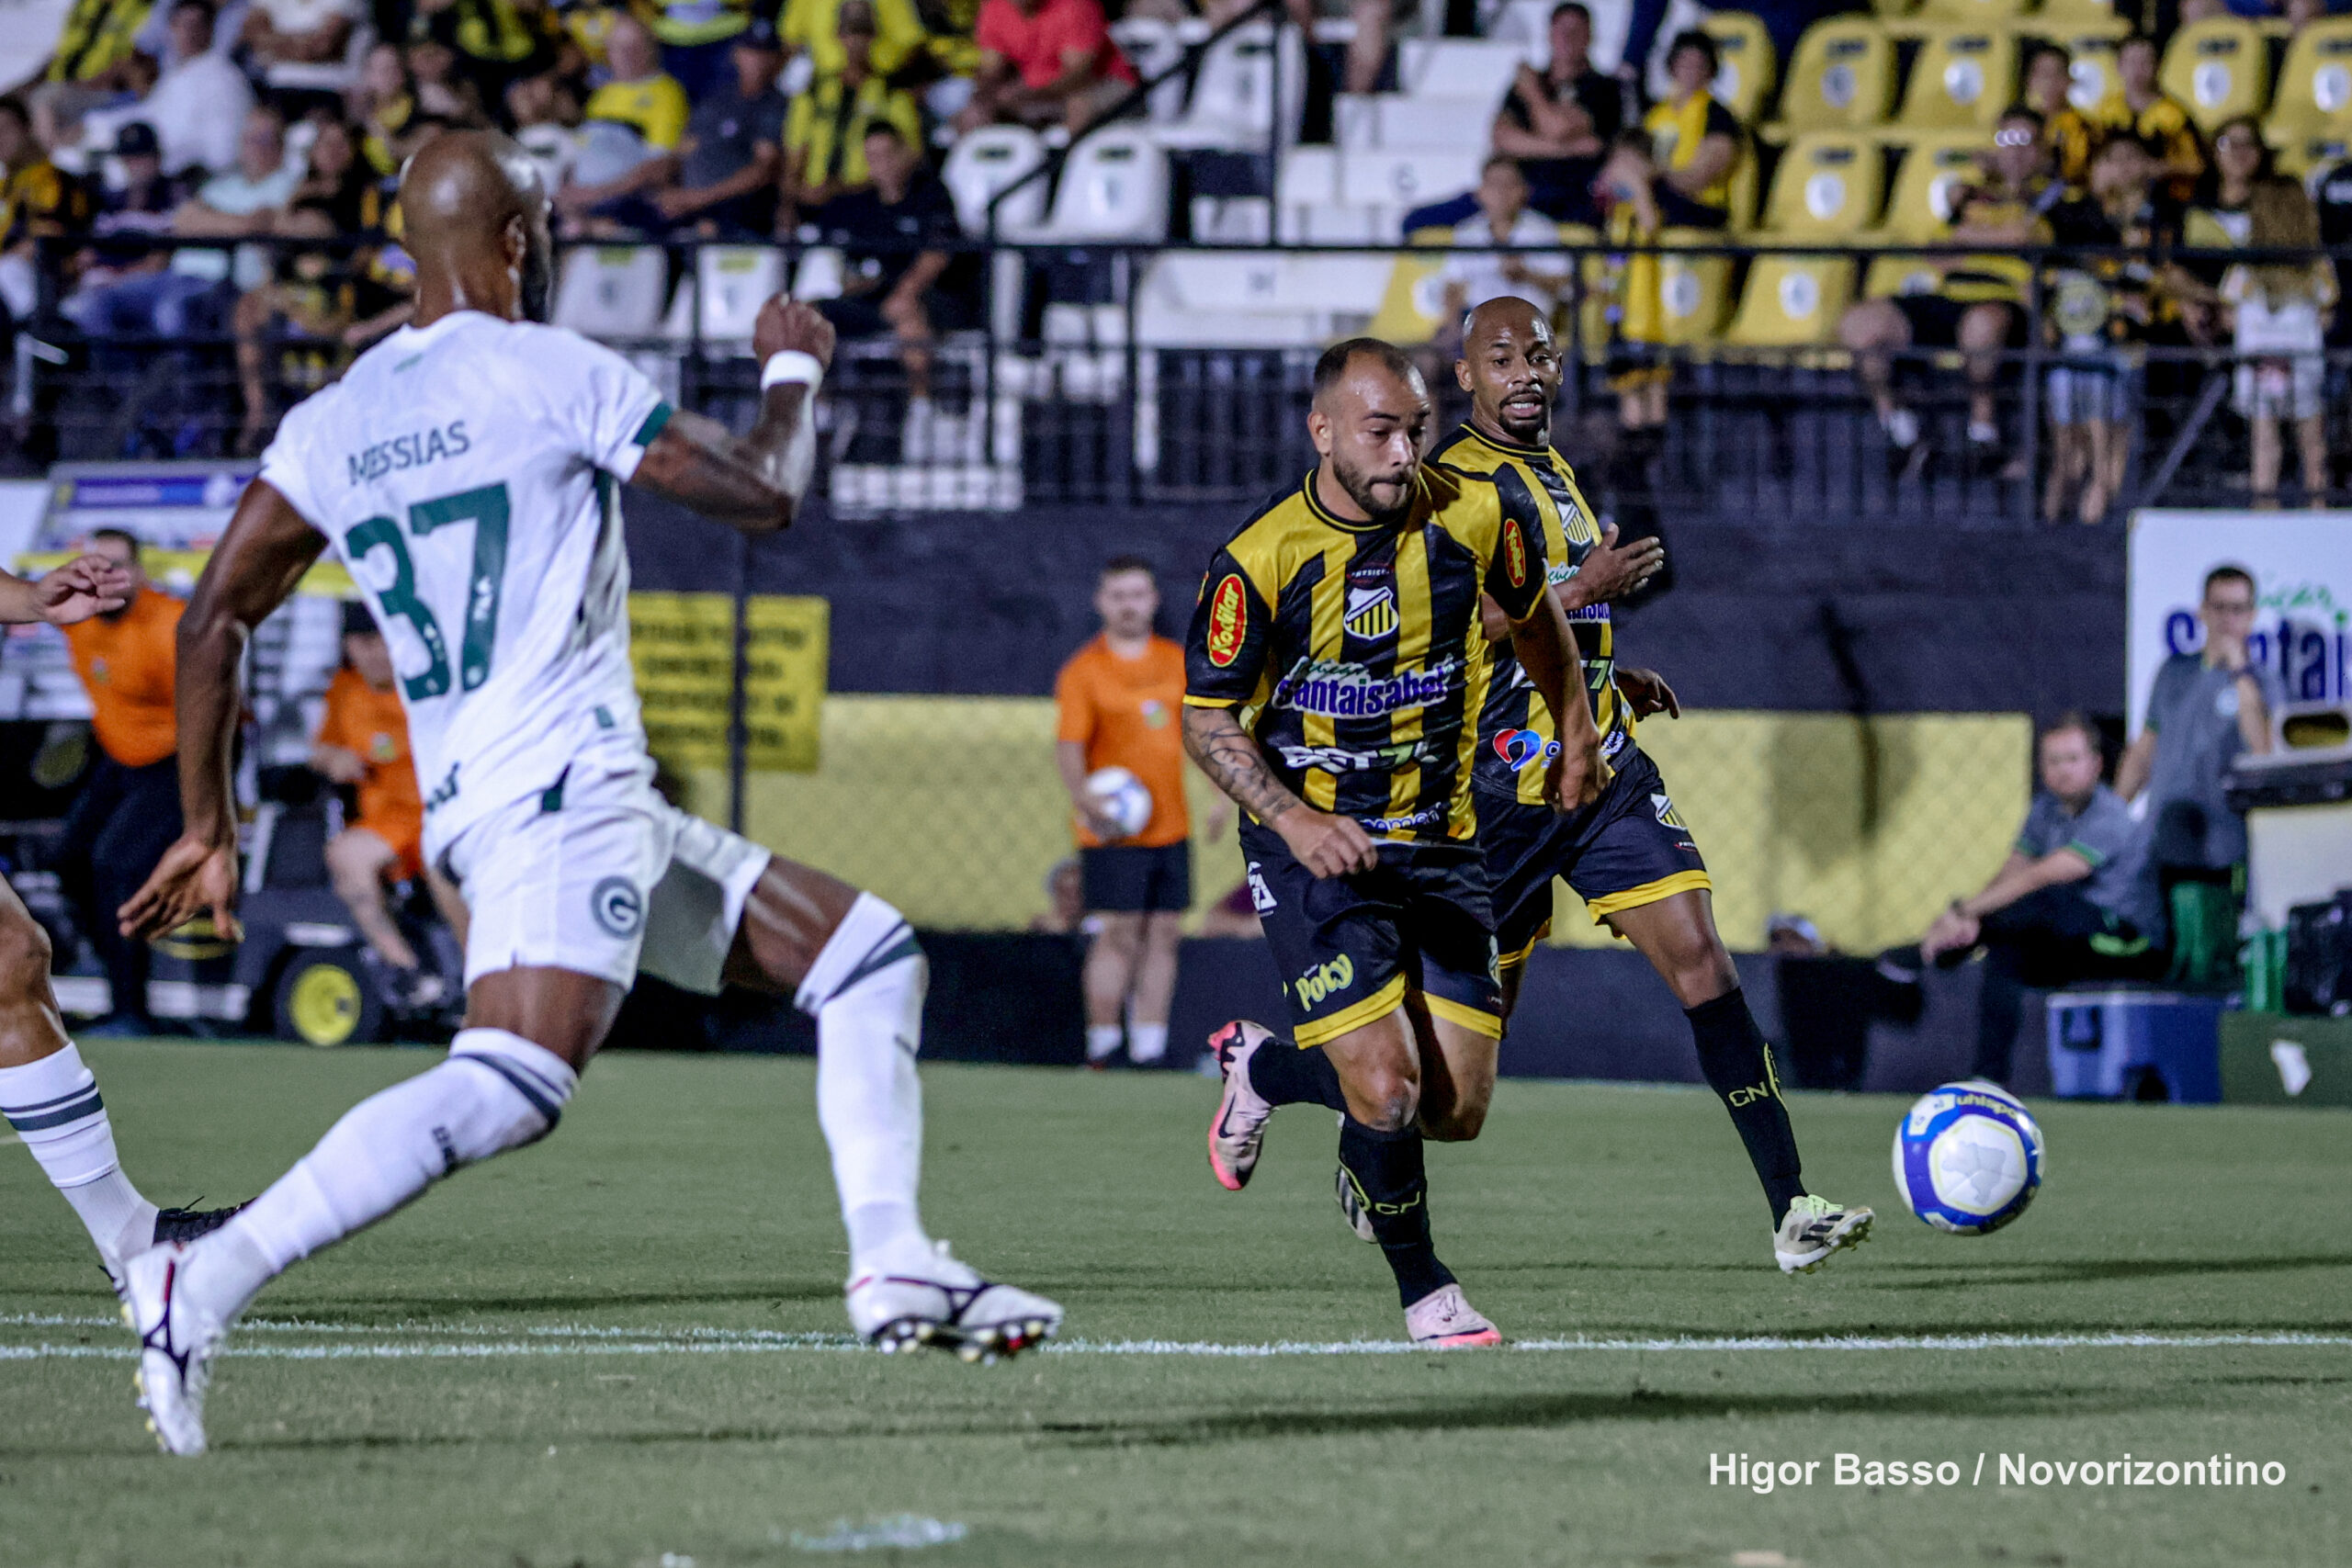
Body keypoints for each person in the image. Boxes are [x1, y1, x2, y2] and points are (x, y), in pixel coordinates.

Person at [115, 130, 1060, 1458]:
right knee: (509, 1079)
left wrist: (209, 825)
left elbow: (212, 616)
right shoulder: (545, 367)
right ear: (515, 240)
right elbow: (764, 495)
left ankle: (895, 1255)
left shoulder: (334, 419)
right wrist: (793, 364)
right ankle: (197, 1278)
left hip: (512, 794)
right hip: (561, 786)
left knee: (865, 954)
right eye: (544, 224)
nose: (551, 246)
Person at [1226, 299, 1873, 1276]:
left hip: (1599, 773)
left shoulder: (1552, 471)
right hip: (1492, 797)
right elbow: (1467, 623)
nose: (1526, 372)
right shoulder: (1447, 486)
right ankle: (1271, 1070)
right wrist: (1585, 593)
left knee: (1702, 958)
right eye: (1502, 358)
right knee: (1449, 1098)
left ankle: (1793, 1207)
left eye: (1540, 355)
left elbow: (1547, 636)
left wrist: (1611, 671)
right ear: (1463, 381)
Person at [1187, 336, 1599, 1348]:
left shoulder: (1473, 512)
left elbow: (1534, 613)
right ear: (1321, 430)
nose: (1404, 451)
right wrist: (1290, 817)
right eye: (1379, 430)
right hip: (1314, 852)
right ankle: (1429, 1295)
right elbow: (1206, 719)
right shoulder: (1261, 558)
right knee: (1386, 1086)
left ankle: (1266, 1071)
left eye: (1414, 429)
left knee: (1452, 1111)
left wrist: (1578, 727)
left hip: (1444, 844)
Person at [0, 555, 249, 1296]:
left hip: (155, 766)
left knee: (12, 957)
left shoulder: (152, 622)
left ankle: (130, 1235)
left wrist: (31, 600)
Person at [1881, 715, 2165, 1086]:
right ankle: (1988, 1078)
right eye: (2053, 760)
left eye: (2072, 759)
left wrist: (1963, 912)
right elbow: (2012, 871)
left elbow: (2040, 875)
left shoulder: (2110, 816)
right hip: (2067, 939)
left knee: (2042, 898)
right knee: (2007, 951)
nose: (2062, 770)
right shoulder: (2043, 809)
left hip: (2125, 942)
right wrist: (1969, 918)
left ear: (2096, 764)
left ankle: (1935, 950)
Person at [1053, 557, 1224, 1067]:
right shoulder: (1085, 670)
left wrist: (1219, 795)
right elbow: (1069, 749)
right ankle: (1103, 1044)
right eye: (1118, 595)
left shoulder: (1176, 661)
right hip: (1113, 831)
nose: (1129, 605)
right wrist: (1087, 802)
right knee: (1119, 932)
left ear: (1153, 601)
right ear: (1101, 603)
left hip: (1169, 824)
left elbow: (1198, 734)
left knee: (1165, 932)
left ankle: (1150, 1047)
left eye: (1137, 594)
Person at [1838, 105, 2063, 482]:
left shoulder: (2053, 198)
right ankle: (1901, 431)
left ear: (2042, 151)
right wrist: (1985, 232)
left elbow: (2025, 236)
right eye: (2007, 140)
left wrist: (1972, 238)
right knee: (1859, 323)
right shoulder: (1971, 198)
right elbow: (1937, 254)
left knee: (1982, 324)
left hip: (2005, 299)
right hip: (1949, 297)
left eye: (2027, 141)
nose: (2016, 151)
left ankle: (1982, 433)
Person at [56, 530, 185, 1037]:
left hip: (177, 762)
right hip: (118, 761)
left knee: (117, 864)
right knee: (66, 857)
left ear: (138, 574)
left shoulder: (169, 627)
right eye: (95, 565)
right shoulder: (74, 617)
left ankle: (132, 1008)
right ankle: (107, 956)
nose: (105, 576)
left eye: (117, 566)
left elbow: (216, 716)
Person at [311, 603, 467, 1005]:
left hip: (441, 813)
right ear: (350, 645)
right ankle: (407, 970)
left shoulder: (428, 688)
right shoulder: (345, 690)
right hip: (387, 820)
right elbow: (321, 748)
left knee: (444, 867)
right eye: (365, 642)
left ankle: (478, 977)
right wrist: (334, 759)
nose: (377, 653)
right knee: (346, 857)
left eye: (385, 642)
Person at [2115, 565, 2284, 892]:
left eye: (2237, 609)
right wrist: (2114, 813)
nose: (2227, 619)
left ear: (2252, 616)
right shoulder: (2173, 670)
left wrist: (2239, 670)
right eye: (2218, 607)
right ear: (2202, 611)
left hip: (2222, 843)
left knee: (2208, 935)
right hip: (2162, 833)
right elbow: (2145, 748)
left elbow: (2263, 749)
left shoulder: (2264, 682)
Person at [808, 123, 978, 445]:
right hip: (881, 298)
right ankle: (826, 412)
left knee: (907, 311)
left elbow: (938, 252)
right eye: (873, 156)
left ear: (906, 154)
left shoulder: (931, 193)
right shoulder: (863, 205)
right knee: (807, 314)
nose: (881, 164)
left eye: (887, 154)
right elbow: (856, 265)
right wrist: (856, 286)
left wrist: (906, 291)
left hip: (937, 298)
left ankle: (921, 406)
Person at [2221, 177, 2335, 506]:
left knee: (2265, 444)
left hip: (2256, 363)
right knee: (2312, 444)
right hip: (2302, 362)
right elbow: (2327, 312)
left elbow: (2228, 315)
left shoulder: (2244, 266)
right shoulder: (2316, 266)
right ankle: (2319, 509)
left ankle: (2264, 511)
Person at [76, 0, 254, 180]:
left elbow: (223, 152)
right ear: (171, 29)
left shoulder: (222, 77)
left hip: (188, 177)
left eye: (195, 26)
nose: (188, 33)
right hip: (151, 165)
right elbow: (149, 114)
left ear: (210, 30)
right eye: (181, 25)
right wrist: (93, 125)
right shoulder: (175, 73)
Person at [781, 0, 922, 220]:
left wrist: (841, 189)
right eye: (848, 33)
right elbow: (795, 153)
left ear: (874, 37)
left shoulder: (891, 94)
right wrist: (789, 204)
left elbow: (911, 156)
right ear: (837, 36)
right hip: (812, 200)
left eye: (863, 33)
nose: (855, 42)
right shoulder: (814, 92)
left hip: (867, 203)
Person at [653, 17, 787, 237]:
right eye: (751, 51)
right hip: (688, 198)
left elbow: (763, 170)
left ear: (779, 60)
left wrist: (700, 198)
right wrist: (668, 191)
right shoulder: (714, 101)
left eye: (766, 53)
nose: (757, 61)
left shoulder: (775, 105)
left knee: (717, 224)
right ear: (737, 54)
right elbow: (681, 152)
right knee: (634, 214)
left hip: (733, 203)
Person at [1492, 2, 1623, 224]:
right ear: (1549, 34)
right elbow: (1502, 138)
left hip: (1575, 193)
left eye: (1576, 30)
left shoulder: (1604, 88)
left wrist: (1533, 93)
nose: (1567, 37)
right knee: (1422, 221)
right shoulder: (1524, 84)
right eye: (1561, 29)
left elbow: (1558, 129)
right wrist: (1568, 148)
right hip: (1519, 191)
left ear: (1590, 37)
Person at [1436, 156, 1570, 353]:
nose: (1501, 192)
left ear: (1524, 191)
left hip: (1527, 328)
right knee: (1427, 360)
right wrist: (1451, 327)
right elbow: (1452, 285)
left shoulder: (1542, 231)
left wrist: (1527, 276)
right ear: (1480, 192)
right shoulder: (1467, 232)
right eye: (1493, 184)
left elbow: (1567, 287)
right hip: (1476, 325)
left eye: (1509, 184)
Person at [954, 0, 1136, 137]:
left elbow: (1079, 75)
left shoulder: (1074, 5)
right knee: (973, 114)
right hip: (1035, 90)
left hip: (1103, 83)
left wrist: (1028, 94)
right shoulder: (995, 7)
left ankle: (1067, 181)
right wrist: (986, 95)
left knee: (1079, 107)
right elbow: (990, 68)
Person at [1641, 29, 1742, 230]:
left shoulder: (1717, 114)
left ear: (1710, 70)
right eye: (1685, 63)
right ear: (1673, 66)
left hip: (1698, 205)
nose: (1691, 70)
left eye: (1699, 65)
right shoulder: (1656, 114)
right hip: (1656, 196)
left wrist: (1649, 178)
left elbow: (1701, 176)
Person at [2092, 34, 2205, 205]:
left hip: (2165, 198)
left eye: (2145, 62)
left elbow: (2196, 165)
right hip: (2112, 200)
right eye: (2131, 62)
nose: (2137, 70)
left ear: (2158, 66)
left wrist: (2155, 168)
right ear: (2118, 66)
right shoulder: (2106, 111)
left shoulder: (2174, 114)